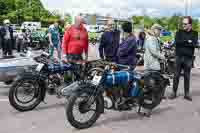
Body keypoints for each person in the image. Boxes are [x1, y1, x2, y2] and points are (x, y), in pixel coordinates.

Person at [169, 16, 198, 101]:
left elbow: (194, 44)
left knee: (187, 76)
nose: (183, 25)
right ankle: (174, 92)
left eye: (185, 24)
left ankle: (187, 94)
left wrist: (185, 42)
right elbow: (177, 42)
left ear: (190, 24)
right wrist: (188, 41)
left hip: (188, 58)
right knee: (176, 75)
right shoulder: (179, 32)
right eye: (183, 24)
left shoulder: (195, 33)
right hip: (178, 57)